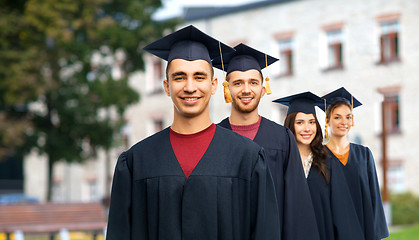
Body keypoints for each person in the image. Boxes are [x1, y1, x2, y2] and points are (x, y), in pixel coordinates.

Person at [106, 25, 280, 240]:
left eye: (199, 77)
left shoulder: (248, 158)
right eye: (179, 77)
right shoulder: (136, 161)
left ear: (214, 84)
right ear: (167, 86)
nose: (189, 87)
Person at [213, 43, 319, 240]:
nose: (246, 90)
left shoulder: (282, 138)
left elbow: (296, 206)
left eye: (253, 82)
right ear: (226, 89)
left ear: (263, 89)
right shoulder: (213, 139)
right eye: (238, 83)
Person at [275, 91, 365, 240]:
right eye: (300, 122)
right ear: (290, 125)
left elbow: (343, 213)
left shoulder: (328, 161)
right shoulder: (280, 162)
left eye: (311, 122)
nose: (307, 129)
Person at [322, 87, 389, 240]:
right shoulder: (319, 156)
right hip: (331, 232)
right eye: (337, 117)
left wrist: (375, 233)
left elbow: (374, 197)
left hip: (363, 229)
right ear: (327, 121)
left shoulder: (364, 154)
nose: (344, 122)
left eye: (348, 117)